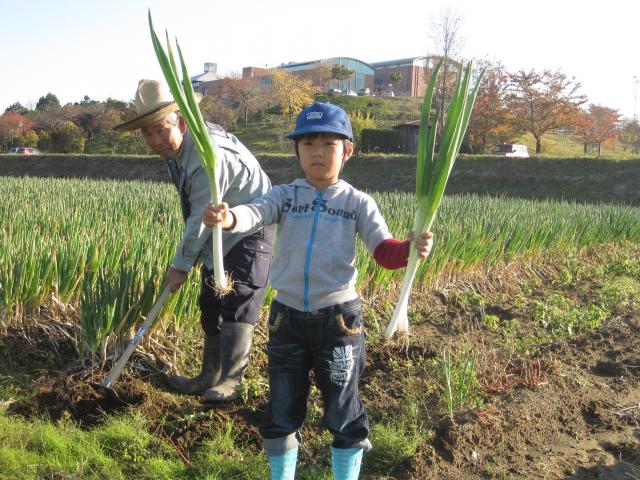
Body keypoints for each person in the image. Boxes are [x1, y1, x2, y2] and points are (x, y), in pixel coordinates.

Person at [202, 102, 434, 480]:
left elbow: (383, 251)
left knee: (343, 410)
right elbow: (253, 213)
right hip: (286, 320)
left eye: (329, 143)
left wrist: (409, 250)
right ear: (297, 151)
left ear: (348, 151)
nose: (318, 152)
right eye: (308, 144)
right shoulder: (286, 195)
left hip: (338, 322)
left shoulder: (358, 203)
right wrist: (226, 217)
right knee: (281, 410)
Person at [114, 79, 276, 403]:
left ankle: (231, 380)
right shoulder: (176, 151)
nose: (155, 140)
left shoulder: (205, 155)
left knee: (238, 299)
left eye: (161, 129)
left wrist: (180, 266)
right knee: (210, 300)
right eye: (147, 133)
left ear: (182, 122)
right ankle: (208, 376)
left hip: (250, 225)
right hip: (217, 228)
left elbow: (198, 218)